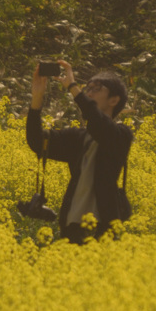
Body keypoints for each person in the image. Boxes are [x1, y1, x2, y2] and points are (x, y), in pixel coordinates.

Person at [25, 60, 133, 244]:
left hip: (103, 227)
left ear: (114, 100)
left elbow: (100, 125)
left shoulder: (121, 136)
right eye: (87, 87)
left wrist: (74, 88)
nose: (88, 92)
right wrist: (37, 98)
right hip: (71, 225)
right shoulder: (77, 138)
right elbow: (38, 142)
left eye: (96, 88)